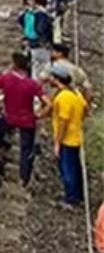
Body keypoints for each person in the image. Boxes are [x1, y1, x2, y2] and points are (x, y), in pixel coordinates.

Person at [0, 52, 47, 186]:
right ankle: (23, 178)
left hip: (9, 116)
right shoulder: (32, 84)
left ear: (14, 65)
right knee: (26, 149)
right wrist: (40, 114)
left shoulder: (5, 78)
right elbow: (48, 103)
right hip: (27, 120)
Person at [48, 66, 87, 205]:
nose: (49, 79)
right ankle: (78, 195)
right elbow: (85, 108)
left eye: (52, 77)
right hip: (76, 136)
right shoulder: (76, 93)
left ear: (57, 79)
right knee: (75, 167)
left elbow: (63, 121)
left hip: (67, 139)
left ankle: (71, 198)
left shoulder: (64, 97)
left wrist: (57, 142)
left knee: (67, 169)